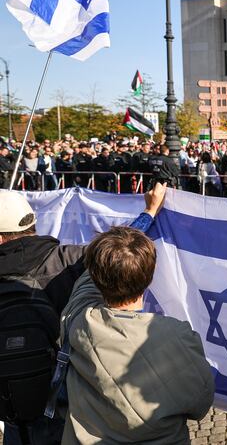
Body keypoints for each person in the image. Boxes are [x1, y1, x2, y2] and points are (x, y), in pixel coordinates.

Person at [0, 185, 165, 445]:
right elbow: (118, 251)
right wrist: (151, 210)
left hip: (11, 410)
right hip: (64, 402)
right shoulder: (66, 260)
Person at [59, 210, 215, 442]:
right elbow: (200, 403)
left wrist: (147, 214)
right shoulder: (179, 335)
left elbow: (91, 277)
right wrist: (151, 213)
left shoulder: (78, 319)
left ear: (94, 272)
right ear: (150, 276)